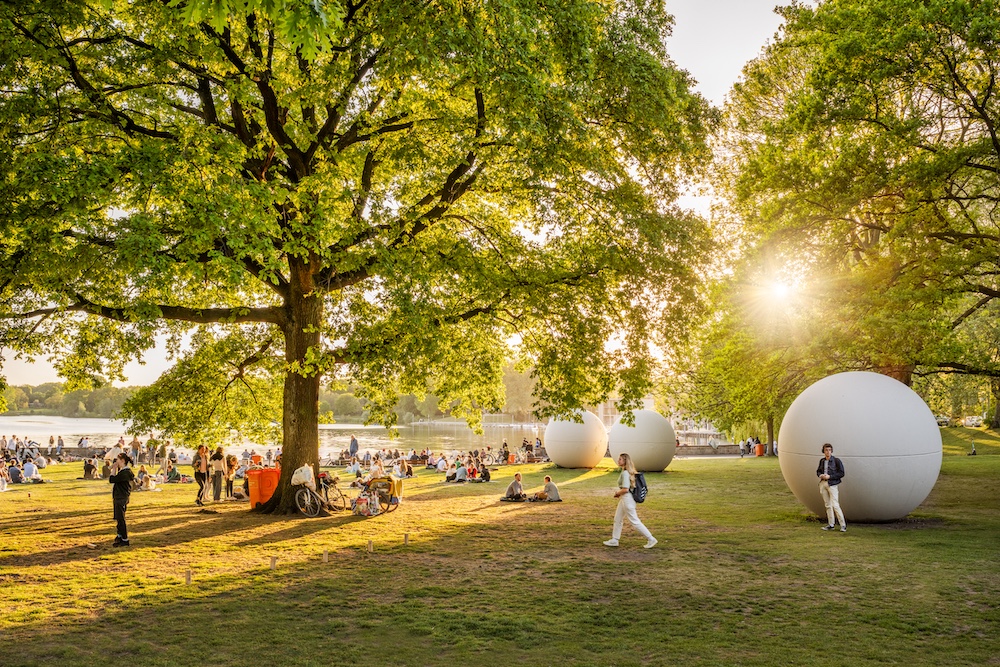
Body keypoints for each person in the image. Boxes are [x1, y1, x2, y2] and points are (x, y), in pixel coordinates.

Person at [604, 453, 656, 548]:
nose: (618, 460)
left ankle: (651, 539)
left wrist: (617, 493)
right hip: (624, 499)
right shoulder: (626, 471)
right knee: (618, 519)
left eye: (620, 459)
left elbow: (625, 489)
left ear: (624, 461)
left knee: (634, 521)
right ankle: (615, 540)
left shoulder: (625, 473)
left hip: (627, 499)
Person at [816, 443, 846, 532]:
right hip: (823, 483)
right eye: (826, 450)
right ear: (823, 451)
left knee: (835, 505)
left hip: (832, 484)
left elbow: (841, 473)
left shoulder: (836, 461)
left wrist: (830, 477)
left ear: (831, 451)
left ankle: (843, 525)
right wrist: (820, 475)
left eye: (829, 450)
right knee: (828, 505)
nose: (828, 452)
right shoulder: (822, 461)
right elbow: (818, 471)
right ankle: (831, 524)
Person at [109, 452, 135, 547]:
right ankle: (119, 536)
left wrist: (114, 469)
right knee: (118, 517)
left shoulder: (126, 472)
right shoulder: (123, 471)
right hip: (119, 497)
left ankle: (125, 539)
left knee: (121, 519)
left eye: (118, 460)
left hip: (122, 498)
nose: (116, 461)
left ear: (123, 461)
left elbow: (112, 479)